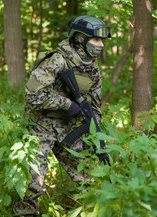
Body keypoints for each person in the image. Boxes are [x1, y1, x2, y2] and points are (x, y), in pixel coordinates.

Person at [13, 15, 111, 216]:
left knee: (87, 177)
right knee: (33, 183)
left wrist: (94, 134)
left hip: (69, 129)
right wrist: (67, 104)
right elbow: (32, 94)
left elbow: (94, 106)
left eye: (102, 41)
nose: (101, 45)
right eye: (96, 40)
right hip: (40, 126)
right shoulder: (57, 60)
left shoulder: (92, 69)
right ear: (80, 39)